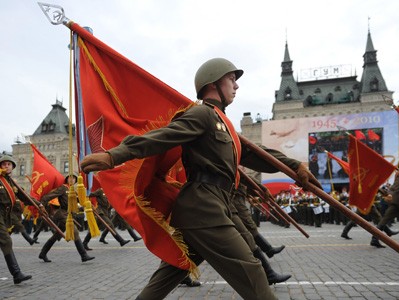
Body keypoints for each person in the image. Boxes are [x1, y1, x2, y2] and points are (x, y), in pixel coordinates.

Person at [80, 58, 320, 299]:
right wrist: (115, 155)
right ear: (213, 83)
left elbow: (256, 154)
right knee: (251, 270)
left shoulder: (224, 125)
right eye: (231, 79)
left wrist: (294, 167)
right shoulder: (202, 115)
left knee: (168, 276)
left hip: (209, 208)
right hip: (203, 208)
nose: (236, 86)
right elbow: (162, 137)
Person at [0, 155, 45, 284]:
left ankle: (17, 274)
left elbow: (25, 197)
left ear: (13, 167)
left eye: (9, 164)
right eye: (3, 164)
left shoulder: (11, 182)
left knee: (5, 241)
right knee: (6, 241)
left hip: (6, 216)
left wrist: (39, 204)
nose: (6, 166)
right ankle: (16, 274)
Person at [38, 174, 95, 263]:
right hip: (63, 214)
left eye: (74, 178)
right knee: (75, 231)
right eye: (70, 178)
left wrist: (88, 205)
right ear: (67, 179)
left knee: (56, 236)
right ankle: (84, 255)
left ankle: (43, 253)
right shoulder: (63, 188)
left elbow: (79, 203)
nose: (72, 180)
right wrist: (41, 204)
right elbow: (49, 196)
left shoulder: (74, 191)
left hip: (69, 215)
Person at [370, 170, 399, 248]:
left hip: (395, 202)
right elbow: (394, 189)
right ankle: (375, 238)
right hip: (397, 202)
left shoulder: (397, 177)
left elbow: (392, 188)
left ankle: (375, 238)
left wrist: (390, 194)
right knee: (384, 220)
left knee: (384, 220)